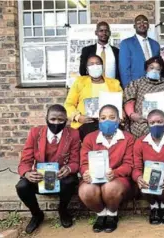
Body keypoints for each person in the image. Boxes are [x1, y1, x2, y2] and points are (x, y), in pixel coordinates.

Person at [16, 104, 80, 234]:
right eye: (53, 119)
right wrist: (27, 173)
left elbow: (75, 161)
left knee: (71, 181)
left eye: (61, 120)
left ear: (66, 121)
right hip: (40, 178)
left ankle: (63, 210)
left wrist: (68, 168)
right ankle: (37, 214)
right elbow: (25, 161)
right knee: (21, 186)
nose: (56, 123)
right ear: (46, 119)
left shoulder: (73, 134)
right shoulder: (35, 133)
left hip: (60, 177)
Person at [79, 104, 134, 233]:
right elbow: (83, 163)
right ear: (99, 120)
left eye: (112, 117)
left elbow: (129, 164)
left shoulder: (128, 138)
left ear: (119, 120)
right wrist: (85, 172)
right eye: (103, 118)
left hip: (117, 178)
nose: (107, 121)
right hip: (94, 177)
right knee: (86, 191)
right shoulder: (90, 138)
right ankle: (101, 214)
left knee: (109, 188)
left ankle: (112, 215)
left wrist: (115, 173)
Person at [132, 110, 164, 225]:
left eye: (159, 122)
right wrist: (139, 178)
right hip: (148, 179)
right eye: (152, 122)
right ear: (147, 124)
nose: (156, 125)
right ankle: (153, 206)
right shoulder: (140, 142)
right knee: (145, 184)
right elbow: (136, 168)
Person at [123, 56, 164, 138]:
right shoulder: (136, 84)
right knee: (145, 131)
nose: (154, 71)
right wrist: (132, 115)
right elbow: (129, 100)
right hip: (142, 120)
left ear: (161, 71)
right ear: (146, 69)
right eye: (151, 68)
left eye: (157, 69)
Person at [64, 55, 122, 140]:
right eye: (91, 64)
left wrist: (121, 115)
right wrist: (78, 117)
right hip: (87, 123)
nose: (95, 66)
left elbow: (120, 103)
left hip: (109, 121)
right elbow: (69, 104)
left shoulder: (114, 83)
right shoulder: (80, 82)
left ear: (102, 67)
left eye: (97, 63)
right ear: (87, 69)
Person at [119, 15, 160, 88]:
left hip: (154, 86)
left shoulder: (155, 44)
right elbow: (124, 70)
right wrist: (129, 89)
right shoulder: (126, 44)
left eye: (144, 22)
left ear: (148, 25)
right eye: (139, 22)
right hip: (136, 87)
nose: (142, 24)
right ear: (134, 26)